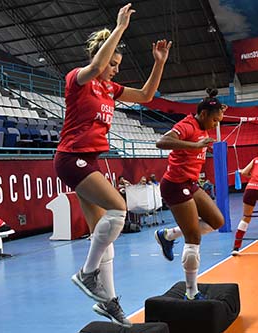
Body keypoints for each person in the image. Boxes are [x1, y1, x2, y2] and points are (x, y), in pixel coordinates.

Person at [53, 3, 171, 327]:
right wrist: (119, 29)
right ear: (102, 58)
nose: (116, 69)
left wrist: (158, 64)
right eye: (114, 63)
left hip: (89, 159)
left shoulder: (111, 89)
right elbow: (96, 66)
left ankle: (109, 302)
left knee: (101, 233)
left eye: (118, 64)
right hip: (70, 158)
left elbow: (147, 95)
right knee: (120, 208)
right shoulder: (77, 79)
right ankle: (87, 273)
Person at [154, 88, 226, 300]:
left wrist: (218, 107)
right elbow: (162, 142)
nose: (216, 125)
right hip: (175, 185)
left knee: (217, 221)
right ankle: (192, 292)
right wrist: (194, 145)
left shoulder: (205, 124)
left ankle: (167, 235)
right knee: (193, 236)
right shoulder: (187, 125)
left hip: (191, 183)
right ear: (203, 115)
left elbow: (212, 111)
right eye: (215, 121)